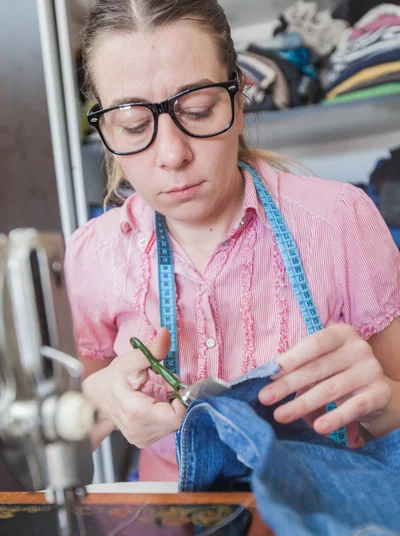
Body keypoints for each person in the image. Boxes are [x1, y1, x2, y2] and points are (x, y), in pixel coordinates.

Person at [65, 0, 400, 483]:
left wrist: (381, 404)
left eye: (198, 110)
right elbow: (60, 447)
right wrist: (97, 405)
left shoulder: (341, 221)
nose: (173, 154)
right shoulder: (91, 256)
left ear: (239, 102)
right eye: (135, 124)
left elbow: (396, 419)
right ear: (106, 128)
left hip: (325, 513)